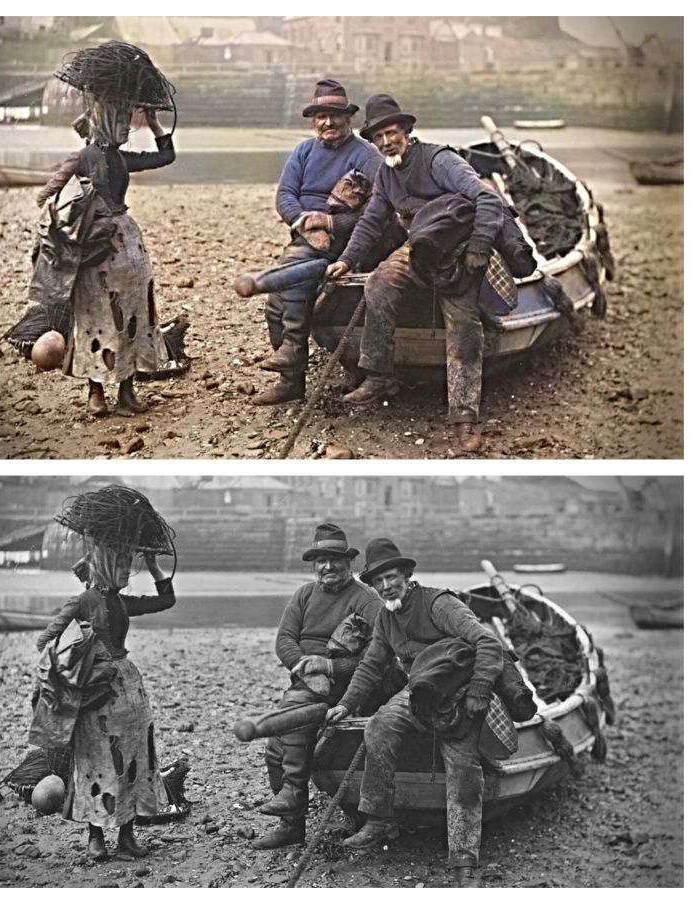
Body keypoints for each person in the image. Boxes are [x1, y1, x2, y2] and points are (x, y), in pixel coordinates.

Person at [326, 94, 507, 453]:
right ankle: (379, 374)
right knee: (379, 283)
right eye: (377, 138)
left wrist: (479, 248)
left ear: (407, 130)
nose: (385, 142)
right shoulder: (386, 174)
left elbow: (489, 200)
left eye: (391, 133)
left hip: (459, 248)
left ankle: (464, 414)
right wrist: (346, 260)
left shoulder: (440, 161)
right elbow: (371, 220)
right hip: (418, 250)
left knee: (463, 323)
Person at [326, 537, 504, 888]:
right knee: (379, 725)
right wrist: (345, 704)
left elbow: (488, 642)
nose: (385, 586)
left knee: (464, 767)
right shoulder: (387, 620)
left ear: (407, 574)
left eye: (391, 577)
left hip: (459, 692)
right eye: (378, 581)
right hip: (417, 693)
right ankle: (378, 818)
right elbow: (371, 666)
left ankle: (464, 858)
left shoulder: (439, 603)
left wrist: (480, 691)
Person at [34, 487, 178, 861]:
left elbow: (166, 600)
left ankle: (127, 837)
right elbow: (47, 639)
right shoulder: (84, 600)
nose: (126, 570)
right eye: (121, 563)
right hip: (95, 690)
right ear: (101, 564)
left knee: (132, 760)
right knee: (96, 761)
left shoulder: (121, 602)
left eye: (128, 565)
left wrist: (155, 566)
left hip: (128, 689)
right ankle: (95, 837)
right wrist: (70, 660)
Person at [37, 93, 176, 418]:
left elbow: (165, 156)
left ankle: (126, 391)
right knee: (95, 317)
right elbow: (48, 193)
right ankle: (95, 392)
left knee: (134, 314)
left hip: (127, 245)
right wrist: (80, 204)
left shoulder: (120, 157)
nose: (125, 127)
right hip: (97, 248)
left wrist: (154, 121)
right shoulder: (84, 156)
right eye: (119, 121)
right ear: (104, 124)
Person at [252, 79, 382, 406]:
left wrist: (332, 222)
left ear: (348, 118)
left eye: (335, 115)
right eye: (320, 116)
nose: (328, 122)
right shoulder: (303, 151)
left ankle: (294, 350)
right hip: (305, 237)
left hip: (347, 243)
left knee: (292, 274)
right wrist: (304, 223)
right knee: (274, 307)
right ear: (313, 120)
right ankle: (291, 381)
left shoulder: (366, 155)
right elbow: (285, 196)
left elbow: (377, 212)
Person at [252, 523, 382, 849]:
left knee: (290, 720)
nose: (327, 567)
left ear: (348, 562)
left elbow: (379, 656)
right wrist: (305, 667)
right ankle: (290, 825)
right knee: (274, 751)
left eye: (334, 559)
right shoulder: (304, 595)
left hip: (347, 688)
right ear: (313, 564)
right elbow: (284, 640)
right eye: (320, 560)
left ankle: (296, 795)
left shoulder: (366, 598)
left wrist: (332, 666)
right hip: (306, 683)